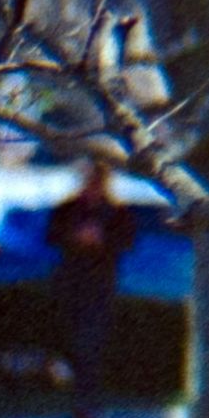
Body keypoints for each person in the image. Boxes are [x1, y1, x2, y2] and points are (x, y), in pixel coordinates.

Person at [42, 157, 134, 403]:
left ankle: (87, 398)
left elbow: (127, 241)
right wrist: (75, 237)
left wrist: (101, 239)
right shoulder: (67, 209)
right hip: (70, 281)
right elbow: (51, 236)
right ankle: (68, 385)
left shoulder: (116, 212)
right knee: (67, 339)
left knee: (91, 341)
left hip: (100, 284)